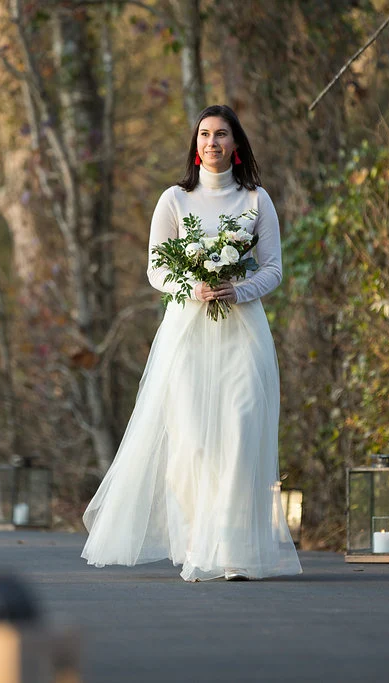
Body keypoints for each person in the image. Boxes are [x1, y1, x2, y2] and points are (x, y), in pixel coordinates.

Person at [82, 105, 301, 582]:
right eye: (204, 134)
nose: (212, 142)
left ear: (236, 145)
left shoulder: (257, 201)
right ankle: (197, 540)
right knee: (194, 443)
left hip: (243, 333)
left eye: (221, 134)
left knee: (241, 430)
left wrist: (235, 290)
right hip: (187, 333)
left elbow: (274, 269)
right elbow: (157, 269)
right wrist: (193, 286)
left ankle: (235, 551)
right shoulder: (174, 200)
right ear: (195, 145)